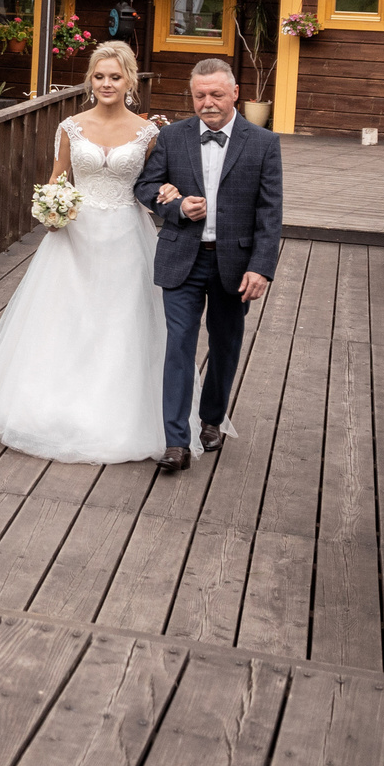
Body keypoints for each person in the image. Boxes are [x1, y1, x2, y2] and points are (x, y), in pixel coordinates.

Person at [0, 42, 175, 464]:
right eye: (99, 76)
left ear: (129, 80)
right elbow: (58, 177)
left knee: (121, 321)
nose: (106, 84)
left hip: (127, 235)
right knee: (67, 317)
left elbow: (150, 185)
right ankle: (49, 406)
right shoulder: (71, 126)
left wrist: (168, 192)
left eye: (115, 76)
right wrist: (50, 208)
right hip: (74, 236)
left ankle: (115, 414)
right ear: (90, 80)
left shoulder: (148, 133)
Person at [133, 55, 286, 473]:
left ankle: (212, 419)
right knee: (178, 346)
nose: (208, 103)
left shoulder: (263, 143)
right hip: (181, 258)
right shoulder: (172, 137)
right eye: (200, 95)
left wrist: (262, 267)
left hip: (234, 264)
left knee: (225, 345)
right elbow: (145, 187)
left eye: (216, 94)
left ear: (235, 93)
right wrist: (179, 206)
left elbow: (270, 214)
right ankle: (175, 442)